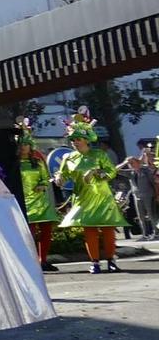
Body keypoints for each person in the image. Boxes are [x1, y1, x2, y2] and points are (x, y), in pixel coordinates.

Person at [56, 110, 128, 273]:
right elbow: (63, 175)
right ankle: (94, 262)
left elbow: (111, 172)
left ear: (87, 139)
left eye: (78, 139)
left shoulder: (99, 154)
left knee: (108, 229)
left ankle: (111, 260)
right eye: (72, 139)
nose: (75, 142)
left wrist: (97, 173)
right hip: (83, 197)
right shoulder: (68, 157)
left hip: (102, 197)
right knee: (90, 230)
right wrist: (59, 178)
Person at [15, 119, 60, 272]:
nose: (23, 148)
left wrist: (43, 184)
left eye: (25, 144)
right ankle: (31, 261)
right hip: (25, 203)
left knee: (46, 231)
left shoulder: (38, 162)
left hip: (41, 202)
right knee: (29, 234)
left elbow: (46, 177)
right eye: (20, 145)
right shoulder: (14, 164)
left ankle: (43, 260)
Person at [127, 147, 155, 238]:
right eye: (130, 163)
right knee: (140, 216)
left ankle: (156, 232)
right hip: (137, 196)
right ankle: (144, 234)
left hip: (148, 195)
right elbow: (116, 170)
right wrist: (125, 162)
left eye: (132, 163)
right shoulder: (130, 173)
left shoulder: (145, 170)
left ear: (137, 162)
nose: (131, 165)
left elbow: (153, 182)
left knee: (151, 215)